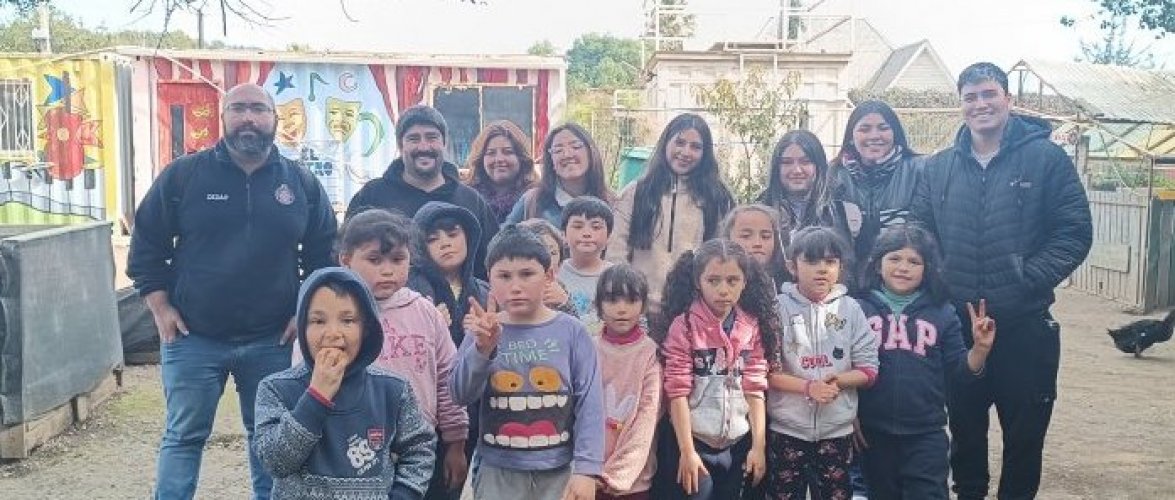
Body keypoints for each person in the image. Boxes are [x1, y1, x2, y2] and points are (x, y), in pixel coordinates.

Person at [126, 83, 338, 500]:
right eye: (238, 109)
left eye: (258, 109)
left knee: (269, 439)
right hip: (193, 337)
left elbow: (323, 254)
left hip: (273, 339)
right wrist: (160, 306)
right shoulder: (185, 175)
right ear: (222, 118)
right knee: (183, 436)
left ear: (275, 120)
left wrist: (306, 313)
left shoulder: (300, 184)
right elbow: (146, 245)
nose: (248, 118)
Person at [910, 62, 1092, 500]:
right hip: (957, 327)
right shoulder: (938, 169)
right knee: (966, 435)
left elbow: (1074, 232)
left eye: (989, 94)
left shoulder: (1046, 159)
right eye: (971, 97)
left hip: (1024, 325)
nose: (981, 104)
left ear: (1008, 100)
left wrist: (1025, 280)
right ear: (961, 105)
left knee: (1024, 439)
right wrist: (941, 285)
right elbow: (919, 234)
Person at [450, 225, 605, 500]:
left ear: (549, 276)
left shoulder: (572, 331)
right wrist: (482, 351)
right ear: (490, 279)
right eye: (505, 276)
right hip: (497, 471)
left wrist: (587, 470)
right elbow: (460, 394)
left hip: (560, 471)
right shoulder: (483, 331)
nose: (516, 286)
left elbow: (590, 403)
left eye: (527, 274)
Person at [253, 267, 436, 499]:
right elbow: (276, 462)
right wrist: (316, 396)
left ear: (366, 329)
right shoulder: (277, 389)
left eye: (347, 321)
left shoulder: (392, 389)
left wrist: (403, 494)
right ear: (302, 327)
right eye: (318, 321)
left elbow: (419, 449)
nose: (333, 333)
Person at [336, 209, 470, 500]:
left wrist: (456, 443)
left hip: (421, 446)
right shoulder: (332, 314)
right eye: (374, 260)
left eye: (398, 260)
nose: (387, 270)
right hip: (354, 448)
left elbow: (449, 377)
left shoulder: (424, 312)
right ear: (345, 260)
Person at [855, 225, 995, 500]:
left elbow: (960, 371)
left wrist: (979, 349)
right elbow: (844, 368)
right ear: (877, 265)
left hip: (925, 433)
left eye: (914, 261)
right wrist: (849, 416)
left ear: (928, 269)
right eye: (894, 259)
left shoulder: (942, 313)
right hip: (872, 431)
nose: (903, 267)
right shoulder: (857, 309)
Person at [655, 239, 776, 499]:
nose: (723, 290)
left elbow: (755, 388)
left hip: (737, 445)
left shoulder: (750, 326)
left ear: (745, 281)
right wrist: (687, 451)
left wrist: (758, 446)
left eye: (732, 280)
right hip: (695, 442)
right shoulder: (685, 325)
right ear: (698, 282)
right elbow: (677, 392)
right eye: (714, 280)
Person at [765, 226, 880, 500]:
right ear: (792, 266)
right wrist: (808, 387)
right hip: (786, 430)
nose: (822, 269)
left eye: (830, 262)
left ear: (840, 267)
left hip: (836, 432)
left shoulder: (851, 309)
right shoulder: (776, 308)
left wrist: (837, 380)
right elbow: (768, 371)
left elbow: (869, 370)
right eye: (812, 261)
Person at [346, 104, 499, 279]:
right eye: (414, 139)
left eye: (432, 137)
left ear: (444, 143)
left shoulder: (471, 201)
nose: (424, 147)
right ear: (400, 145)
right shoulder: (372, 197)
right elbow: (348, 257)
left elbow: (492, 263)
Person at [608, 113, 735, 313]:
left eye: (696, 147)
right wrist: (626, 296)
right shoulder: (636, 193)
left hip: (693, 311)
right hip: (638, 309)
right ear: (665, 143)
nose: (686, 152)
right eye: (680, 142)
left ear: (705, 153)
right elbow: (616, 252)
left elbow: (723, 253)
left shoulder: (716, 198)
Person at [832, 100, 926, 279]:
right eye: (864, 129)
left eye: (883, 128)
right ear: (851, 136)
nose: (874, 136)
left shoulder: (920, 170)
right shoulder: (834, 175)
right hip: (850, 284)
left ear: (895, 133)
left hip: (904, 282)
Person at [593, 264, 662, 499]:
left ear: (643, 306)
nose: (621, 309)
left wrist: (616, 474)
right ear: (599, 306)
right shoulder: (589, 348)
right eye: (612, 300)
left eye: (631, 300)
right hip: (587, 475)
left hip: (633, 482)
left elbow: (647, 417)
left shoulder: (649, 353)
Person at [758, 130, 860, 262]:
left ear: (819, 166)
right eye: (787, 162)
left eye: (805, 162)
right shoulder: (760, 212)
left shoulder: (844, 213)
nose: (796, 170)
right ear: (777, 168)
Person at [505, 122, 615, 226]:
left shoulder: (613, 204)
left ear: (591, 153)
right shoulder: (532, 202)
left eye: (575, 147)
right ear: (551, 160)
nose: (567, 154)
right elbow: (502, 242)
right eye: (558, 150)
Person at [559, 196, 616, 335]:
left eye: (596, 227)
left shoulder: (616, 276)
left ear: (609, 236)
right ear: (563, 235)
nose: (586, 233)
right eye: (578, 226)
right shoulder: (554, 274)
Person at [462, 120, 538, 224]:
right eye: (491, 153)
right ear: (480, 159)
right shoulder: (466, 198)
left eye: (507, 152)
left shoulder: (536, 199)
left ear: (521, 157)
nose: (499, 159)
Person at [718, 204, 791, 290]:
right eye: (746, 236)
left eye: (765, 236)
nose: (757, 243)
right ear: (727, 239)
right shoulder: (715, 284)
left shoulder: (786, 287)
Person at [518, 218, 580, 317]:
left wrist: (565, 303)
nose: (548, 260)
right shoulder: (513, 289)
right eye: (538, 253)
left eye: (553, 253)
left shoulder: (560, 288)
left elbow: (576, 330)